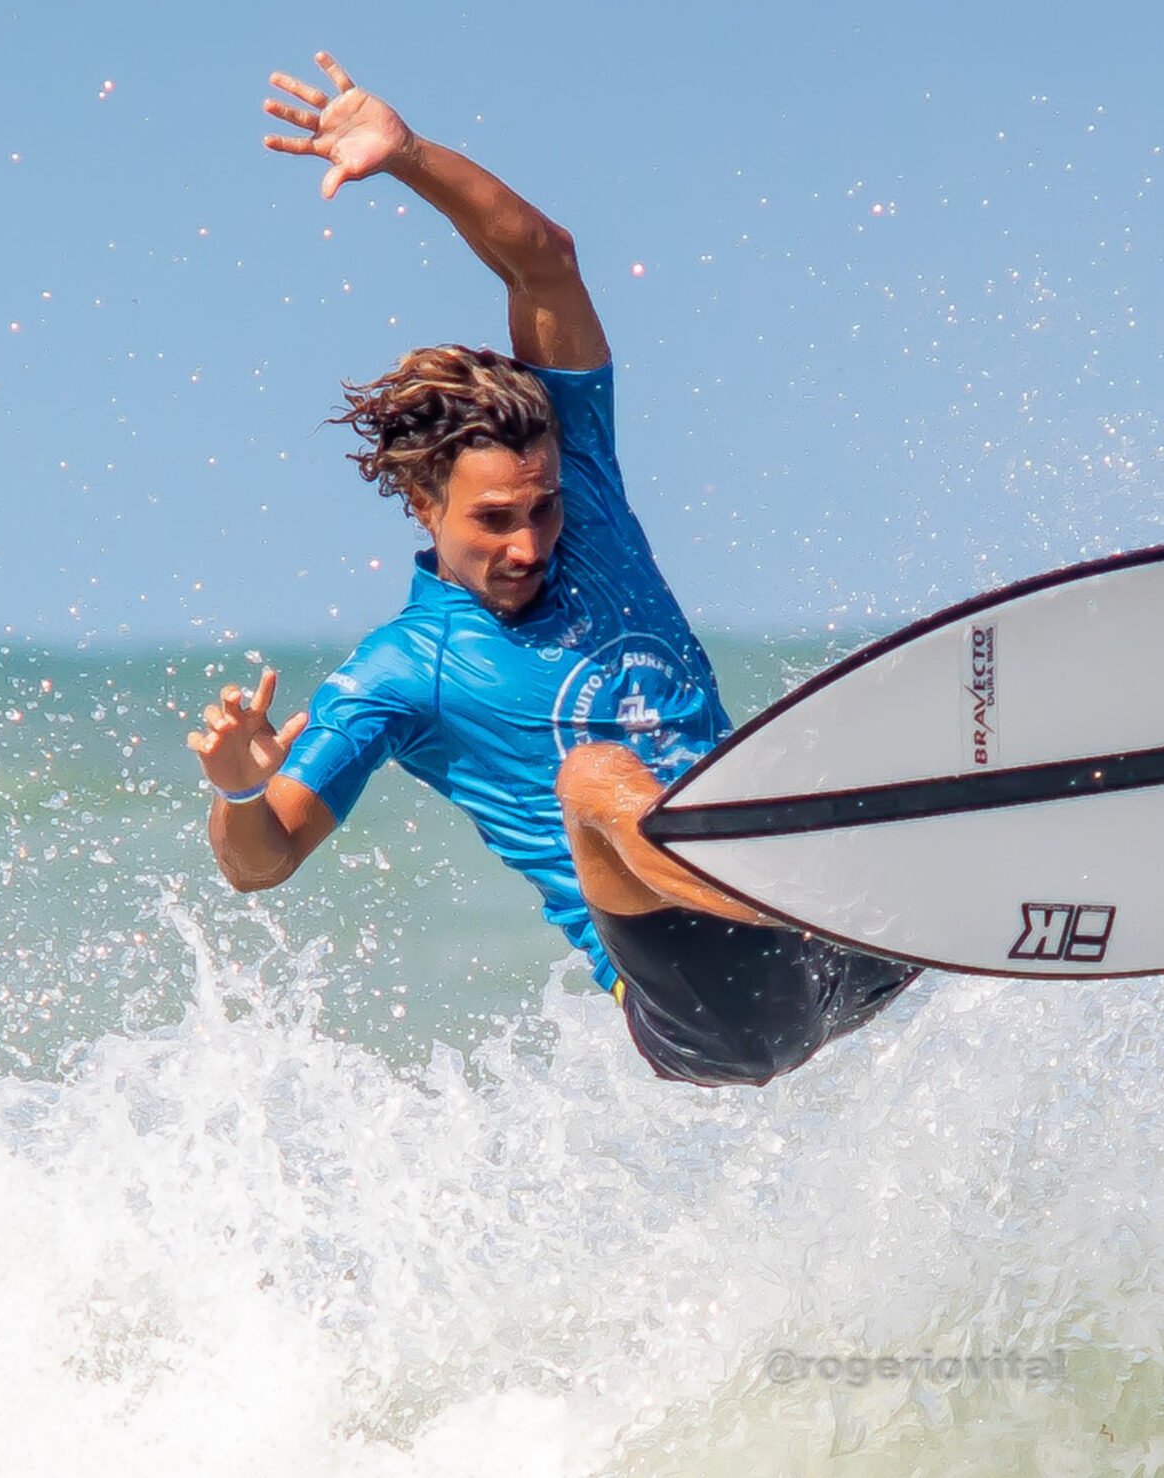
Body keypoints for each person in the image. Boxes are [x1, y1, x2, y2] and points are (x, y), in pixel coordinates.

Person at [187, 53, 919, 1087]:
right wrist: (239, 788)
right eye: (493, 520)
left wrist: (406, 157)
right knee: (594, 777)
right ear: (421, 503)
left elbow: (545, 265)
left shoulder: (588, 484)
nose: (530, 543)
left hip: (829, 934)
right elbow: (260, 861)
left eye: (543, 507)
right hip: (706, 1002)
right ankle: (812, 885)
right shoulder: (405, 669)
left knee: (915, 690)